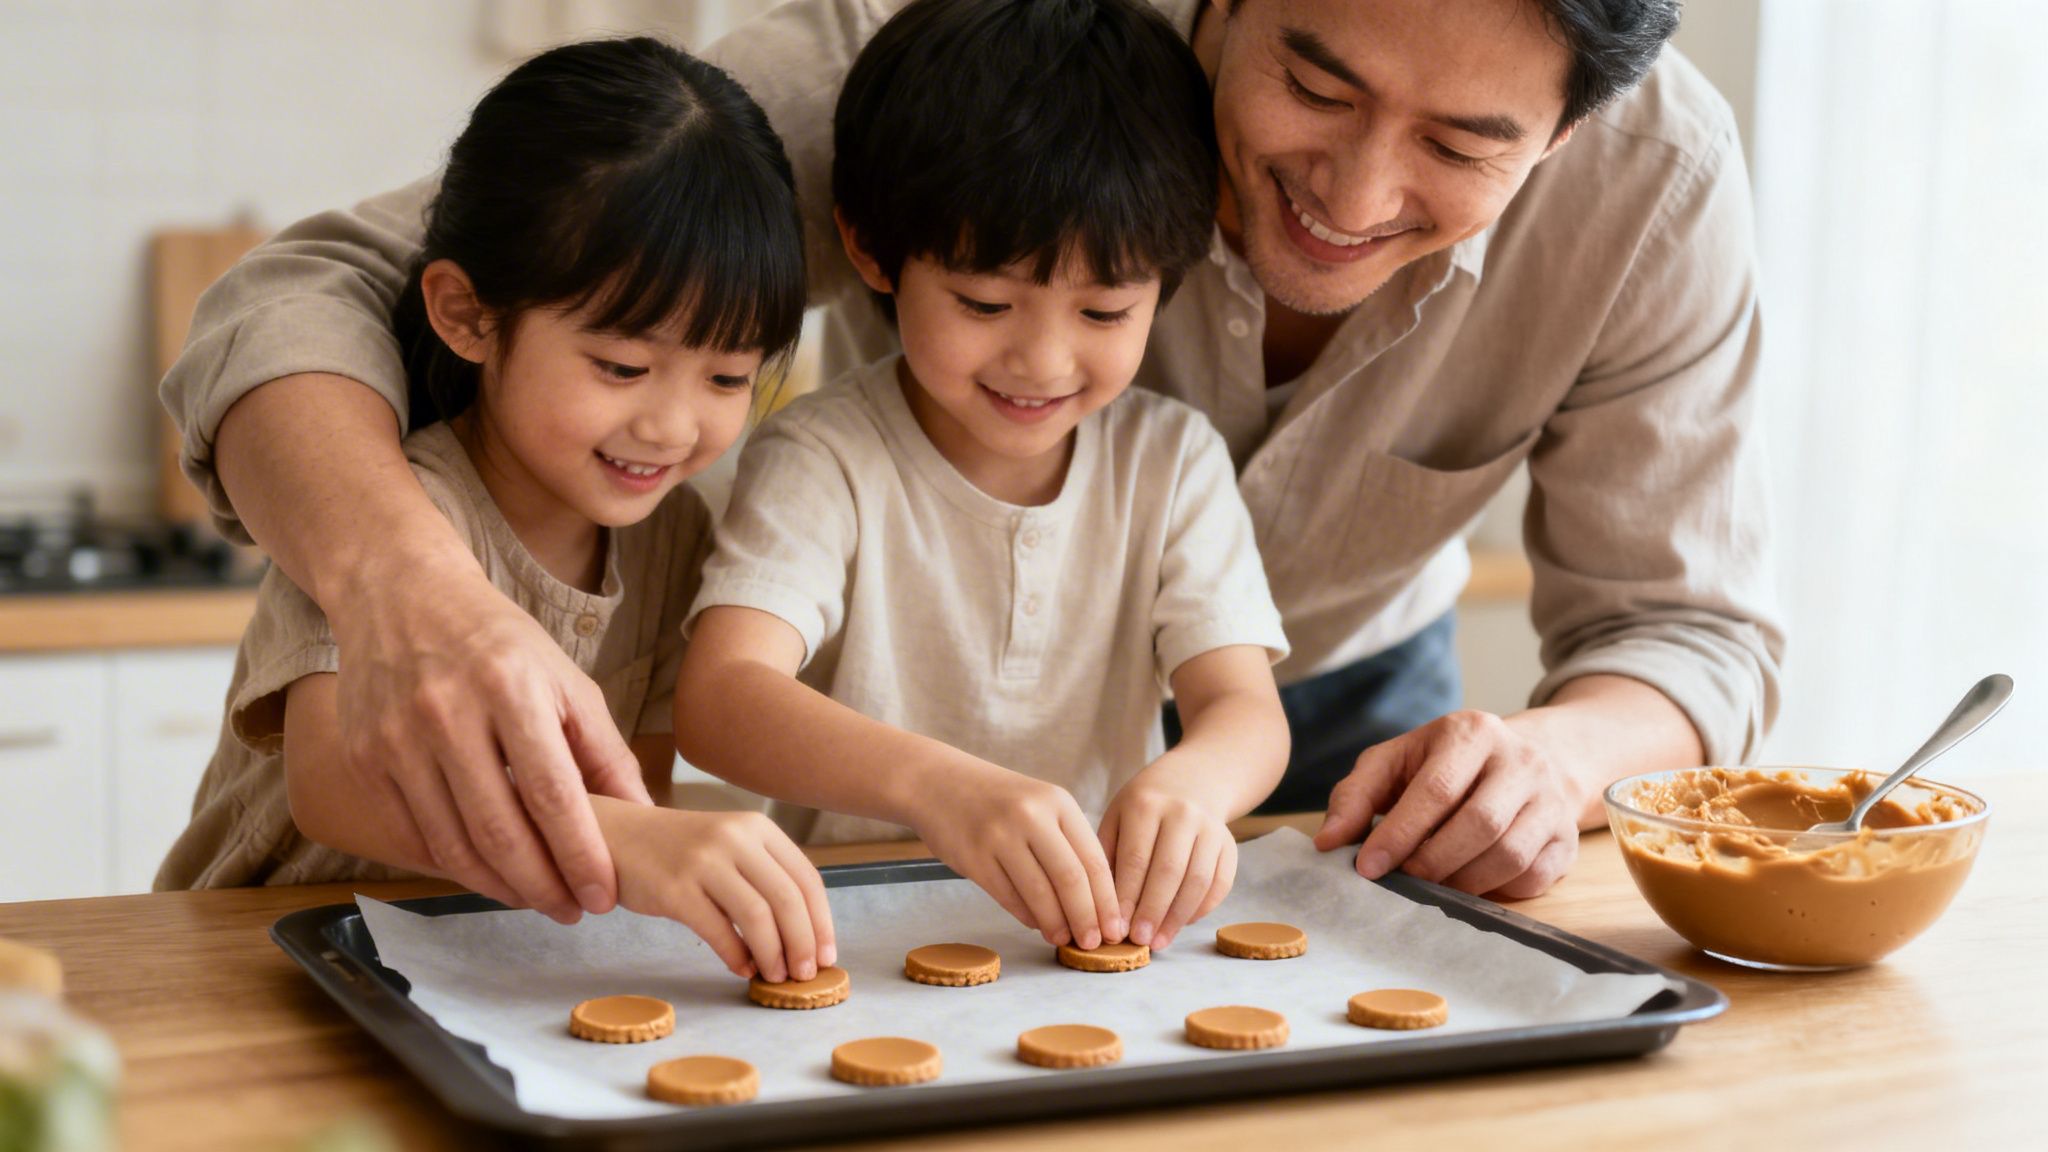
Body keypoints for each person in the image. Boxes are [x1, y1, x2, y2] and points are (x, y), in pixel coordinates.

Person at [160, 0, 1783, 911]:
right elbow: (312, 296)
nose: (1350, 192)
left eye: (1458, 146)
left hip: (1351, 724)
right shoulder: (962, 50)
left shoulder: (1657, 189)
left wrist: (1557, 761)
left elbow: (1685, 633)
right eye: (1312, 76)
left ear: (1566, 135)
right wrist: (415, 591)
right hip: (887, 736)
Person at [154, 37, 835, 985]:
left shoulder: (677, 539)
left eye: (728, 377)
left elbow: (635, 787)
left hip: (482, 963)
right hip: (266, 959)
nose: (672, 425)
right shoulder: (396, 504)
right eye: (623, 367)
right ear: (468, 315)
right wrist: (638, 844)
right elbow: (333, 785)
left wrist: (664, 860)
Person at [674, 0, 1290, 954]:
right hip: (840, 935)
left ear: (1168, 285)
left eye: (1104, 311)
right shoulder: (826, 455)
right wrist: (938, 787)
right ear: (872, 251)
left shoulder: (1174, 463)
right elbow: (718, 700)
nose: (1043, 361)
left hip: (1084, 946)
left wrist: (1192, 787)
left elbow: (1245, 710)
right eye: (984, 301)